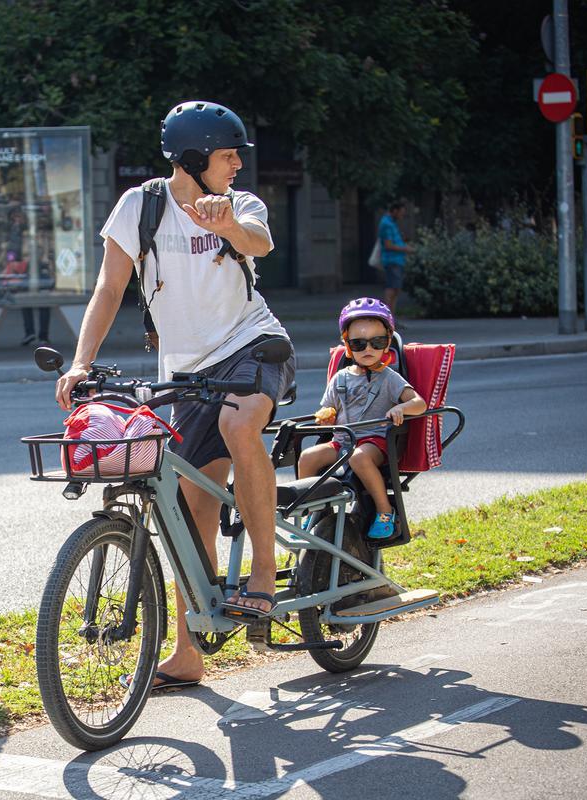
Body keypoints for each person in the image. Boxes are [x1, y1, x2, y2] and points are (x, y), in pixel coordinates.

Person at [55, 100, 294, 691]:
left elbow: (259, 243)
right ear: (193, 157)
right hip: (188, 373)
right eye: (226, 154)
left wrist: (228, 227)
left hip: (254, 346)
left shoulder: (239, 204)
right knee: (192, 512)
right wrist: (81, 359)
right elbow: (110, 287)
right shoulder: (141, 206)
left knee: (242, 429)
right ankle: (188, 651)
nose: (237, 164)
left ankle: (264, 572)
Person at [298, 298, 426, 541]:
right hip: (343, 440)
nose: (368, 349)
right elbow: (327, 409)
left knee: (358, 456)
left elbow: (420, 404)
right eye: (358, 343)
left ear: (387, 343)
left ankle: (385, 511)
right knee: (308, 457)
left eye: (376, 342)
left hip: (375, 442)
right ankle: (312, 508)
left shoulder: (390, 378)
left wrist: (402, 408)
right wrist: (325, 419)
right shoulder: (340, 378)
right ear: (347, 345)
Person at [378, 200, 413, 314]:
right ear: (394, 211)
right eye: (401, 213)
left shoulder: (391, 223)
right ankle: (387, 317)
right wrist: (405, 249)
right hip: (392, 260)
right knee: (391, 289)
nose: (402, 216)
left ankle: (391, 317)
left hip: (397, 260)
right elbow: (388, 245)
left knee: (395, 289)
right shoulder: (387, 224)